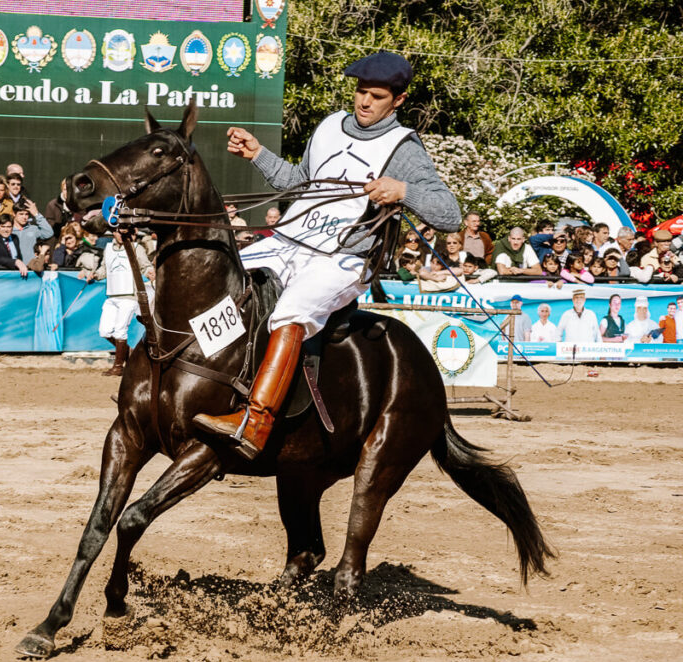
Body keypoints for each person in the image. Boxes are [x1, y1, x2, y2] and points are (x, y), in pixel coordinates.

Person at [194, 50, 461, 458]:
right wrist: (258, 154)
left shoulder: (404, 147)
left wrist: (404, 191)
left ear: (399, 101)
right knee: (220, 278)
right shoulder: (330, 126)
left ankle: (256, 421)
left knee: (291, 311)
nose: (364, 102)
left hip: (343, 258)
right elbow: (300, 183)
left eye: (375, 95)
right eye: (360, 92)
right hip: (289, 240)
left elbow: (450, 214)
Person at [80, 228, 155, 377]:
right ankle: (130, 355)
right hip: (112, 295)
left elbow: (145, 266)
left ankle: (118, 366)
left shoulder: (136, 248)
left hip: (129, 296)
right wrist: (95, 275)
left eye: (125, 232)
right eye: (118, 232)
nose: (121, 235)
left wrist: (150, 272)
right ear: (114, 233)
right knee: (105, 331)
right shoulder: (108, 249)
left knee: (120, 330)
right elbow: (104, 269)